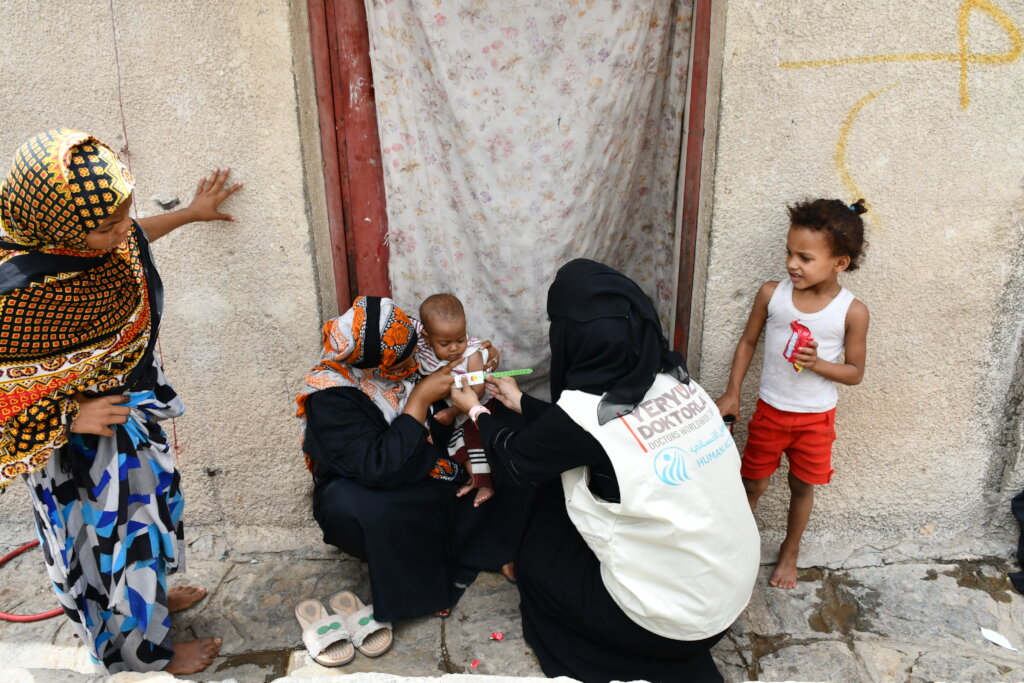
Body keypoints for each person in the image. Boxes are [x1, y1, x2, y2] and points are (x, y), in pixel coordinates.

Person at [0, 129, 241, 674]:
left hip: (130, 414)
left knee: (146, 525)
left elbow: (135, 239)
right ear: (57, 224)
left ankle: (149, 604)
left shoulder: (103, 236)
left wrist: (191, 213)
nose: (121, 233)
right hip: (78, 452)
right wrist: (69, 415)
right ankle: (143, 652)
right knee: (109, 549)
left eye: (124, 214)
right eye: (105, 227)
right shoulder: (15, 292)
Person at [451, 259, 760, 683]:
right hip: (726, 597)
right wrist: (520, 402)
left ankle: (606, 638)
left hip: (666, 628)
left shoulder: (584, 417)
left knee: (537, 559)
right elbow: (587, 434)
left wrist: (476, 410)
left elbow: (520, 460)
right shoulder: (678, 380)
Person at [296, 296, 527, 622]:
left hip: (430, 465)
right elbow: (378, 468)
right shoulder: (331, 396)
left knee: (510, 432)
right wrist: (419, 399)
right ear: (381, 358)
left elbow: (445, 349)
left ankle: (496, 546)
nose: (413, 360)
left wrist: (478, 356)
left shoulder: (399, 356)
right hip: (379, 487)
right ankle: (420, 587)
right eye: (404, 356)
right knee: (356, 504)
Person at [715, 198, 870, 589]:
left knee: (802, 486)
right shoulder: (772, 294)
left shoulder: (852, 312)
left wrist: (818, 363)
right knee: (753, 482)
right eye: (789, 253)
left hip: (815, 420)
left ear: (840, 263)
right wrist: (732, 392)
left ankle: (789, 551)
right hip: (770, 411)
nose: (791, 264)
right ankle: (734, 545)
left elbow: (854, 373)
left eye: (804, 257)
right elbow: (748, 342)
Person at [414, 293, 494, 506]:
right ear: (427, 337)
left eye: (460, 339)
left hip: (474, 408)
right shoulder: (423, 348)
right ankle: (474, 479)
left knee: (475, 443)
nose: (454, 348)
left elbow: (477, 389)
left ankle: (485, 483)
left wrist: (452, 412)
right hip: (452, 409)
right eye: (445, 343)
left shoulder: (471, 353)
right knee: (457, 447)